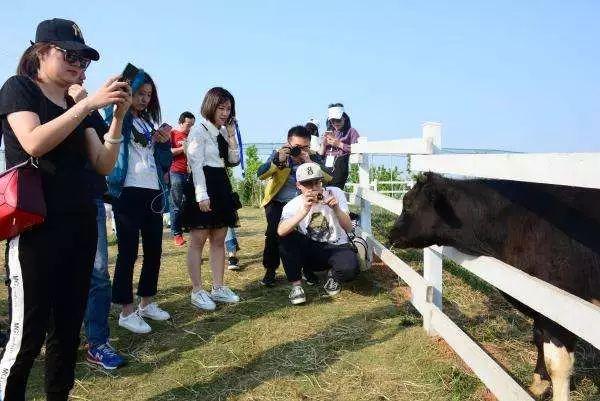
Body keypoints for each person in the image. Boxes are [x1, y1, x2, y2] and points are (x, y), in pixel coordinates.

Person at [0, 18, 130, 400]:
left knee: (68, 327)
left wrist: (117, 117)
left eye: (85, 59)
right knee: (28, 331)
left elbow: (103, 163)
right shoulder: (20, 88)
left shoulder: (80, 105)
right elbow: (33, 142)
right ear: (41, 52)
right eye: (70, 55)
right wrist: (87, 103)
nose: (79, 65)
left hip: (80, 222)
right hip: (36, 225)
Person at [106, 69, 173, 334]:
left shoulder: (147, 125)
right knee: (128, 252)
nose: (145, 99)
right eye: (139, 93)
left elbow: (164, 164)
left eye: (149, 95)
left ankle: (147, 302)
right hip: (127, 192)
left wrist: (164, 144)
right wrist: (120, 92)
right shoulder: (117, 118)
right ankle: (126, 310)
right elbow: (109, 127)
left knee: (154, 250)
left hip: (152, 191)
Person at [68, 76, 125, 370]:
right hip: (50, 199)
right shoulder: (31, 95)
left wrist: (116, 114)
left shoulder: (86, 106)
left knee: (99, 273)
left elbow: (105, 156)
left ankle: (97, 342)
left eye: (83, 65)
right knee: (50, 273)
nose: (80, 72)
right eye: (72, 60)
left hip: (90, 196)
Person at [183, 87, 241, 311]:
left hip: (221, 183)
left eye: (228, 109)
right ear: (210, 105)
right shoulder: (198, 129)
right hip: (203, 182)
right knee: (198, 239)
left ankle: (218, 287)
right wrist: (201, 195)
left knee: (219, 238)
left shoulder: (223, 130)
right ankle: (197, 290)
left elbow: (233, 160)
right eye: (221, 107)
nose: (225, 113)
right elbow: (195, 164)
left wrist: (232, 135)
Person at [257, 125, 331, 287]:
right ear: (288, 143)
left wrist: (310, 163)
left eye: (306, 147)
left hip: (305, 202)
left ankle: (308, 269)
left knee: (307, 235)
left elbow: (329, 178)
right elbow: (261, 174)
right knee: (273, 234)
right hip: (278, 202)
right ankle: (270, 270)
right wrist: (278, 161)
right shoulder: (280, 155)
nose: (301, 151)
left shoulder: (313, 157)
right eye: (297, 147)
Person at [277, 162, 359, 305]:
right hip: (311, 250)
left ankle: (333, 275)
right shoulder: (293, 205)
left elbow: (349, 228)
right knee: (286, 237)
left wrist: (336, 209)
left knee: (350, 270)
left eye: (317, 182)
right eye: (308, 184)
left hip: (337, 246)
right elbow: (281, 231)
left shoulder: (335, 193)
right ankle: (296, 286)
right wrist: (304, 211)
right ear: (299, 186)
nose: (314, 188)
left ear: (322, 181)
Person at [169, 111, 195, 246]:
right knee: (176, 205)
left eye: (192, 125)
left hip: (191, 174)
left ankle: (190, 227)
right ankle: (176, 233)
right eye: (188, 125)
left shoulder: (192, 136)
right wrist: (182, 148)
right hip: (176, 172)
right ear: (180, 123)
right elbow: (168, 152)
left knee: (191, 203)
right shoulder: (173, 134)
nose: (190, 128)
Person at [319, 103, 360, 189]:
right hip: (326, 164)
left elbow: (358, 149)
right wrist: (323, 144)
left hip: (340, 164)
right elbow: (320, 154)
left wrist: (339, 144)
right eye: (332, 121)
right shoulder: (329, 132)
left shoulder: (351, 131)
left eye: (338, 120)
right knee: (325, 191)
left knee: (335, 191)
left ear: (344, 119)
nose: (335, 123)